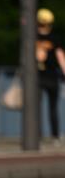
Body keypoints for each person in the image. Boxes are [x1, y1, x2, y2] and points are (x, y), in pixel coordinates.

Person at [35, 8, 65, 143]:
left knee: (36, 108)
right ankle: (55, 136)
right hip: (51, 76)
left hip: (37, 77)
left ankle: (37, 136)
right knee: (52, 108)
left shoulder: (32, 37)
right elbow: (60, 57)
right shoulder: (54, 38)